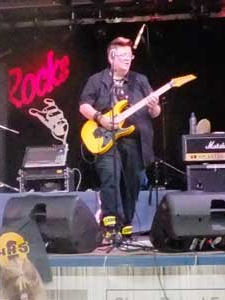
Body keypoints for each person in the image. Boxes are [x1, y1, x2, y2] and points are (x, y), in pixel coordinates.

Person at [79, 36, 160, 240]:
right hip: (106, 140)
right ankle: (111, 225)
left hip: (134, 140)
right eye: (123, 55)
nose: (128, 59)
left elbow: (155, 113)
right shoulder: (97, 80)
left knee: (132, 183)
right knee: (110, 179)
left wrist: (154, 106)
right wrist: (100, 118)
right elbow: (84, 106)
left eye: (130, 55)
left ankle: (126, 225)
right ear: (111, 56)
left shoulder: (140, 80)